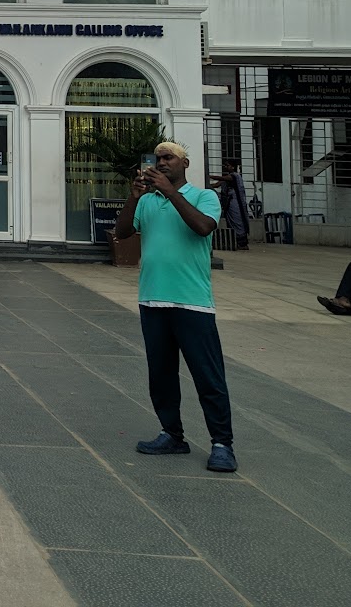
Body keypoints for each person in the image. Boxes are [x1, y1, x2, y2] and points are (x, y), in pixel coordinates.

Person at [114, 141, 237, 473]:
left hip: (192, 303)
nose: (161, 163)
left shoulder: (204, 197)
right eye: (158, 159)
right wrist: (134, 196)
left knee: (207, 375)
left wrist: (170, 193)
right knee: (161, 373)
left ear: (185, 163)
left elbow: (203, 228)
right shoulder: (149, 201)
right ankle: (172, 434)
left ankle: (222, 444)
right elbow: (122, 233)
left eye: (168, 158)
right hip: (152, 299)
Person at [207, 159, 250, 250]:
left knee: (237, 221)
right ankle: (235, 242)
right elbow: (217, 185)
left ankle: (242, 243)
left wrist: (208, 176)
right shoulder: (228, 178)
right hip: (229, 204)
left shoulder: (235, 176)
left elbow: (222, 179)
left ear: (233, 167)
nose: (226, 167)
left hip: (235, 203)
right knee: (231, 221)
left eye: (228, 165)